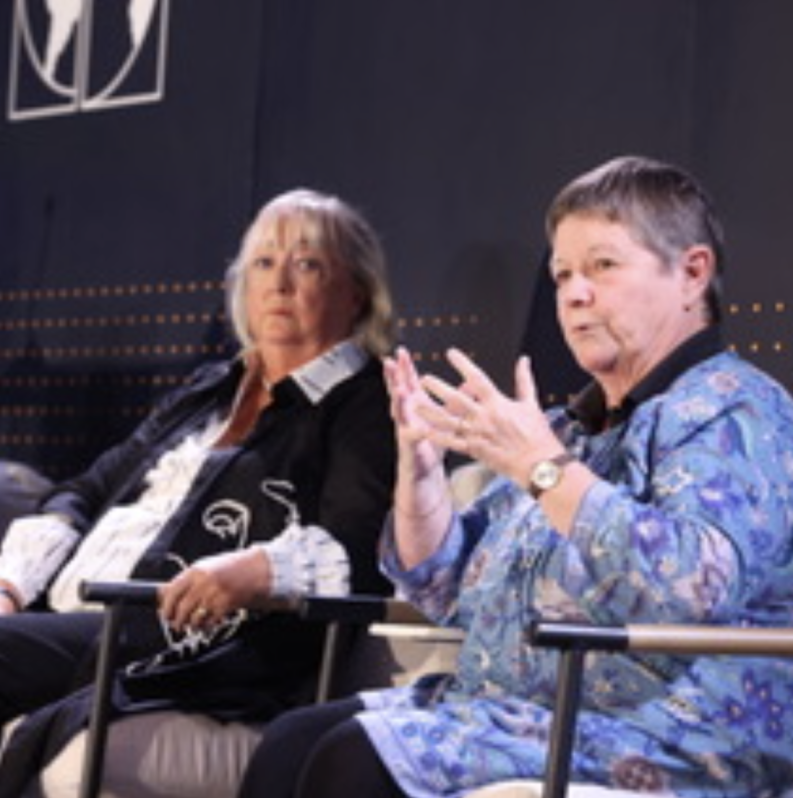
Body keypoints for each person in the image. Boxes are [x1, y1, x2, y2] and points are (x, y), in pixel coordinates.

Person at [239, 155, 793, 798]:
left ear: (692, 273)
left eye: (603, 267)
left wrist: (543, 470)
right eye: (563, 275)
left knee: (352, 761)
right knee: (289, 743)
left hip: (671, 734)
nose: (575, 293)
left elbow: (692, 584)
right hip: (517, 709)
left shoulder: (736, 410)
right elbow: (443, 582)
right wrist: (419, 474)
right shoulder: (571, 428)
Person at [0, 188, 400, 798]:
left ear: (356, 292)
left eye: (307, 263)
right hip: (81, 609)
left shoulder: (367, 402)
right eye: (264, 263)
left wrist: (253, 567)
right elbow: (85, 489)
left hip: (180, 635)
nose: (279, 282)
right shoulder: (209, 390)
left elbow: (359, 545)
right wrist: (4, 590)